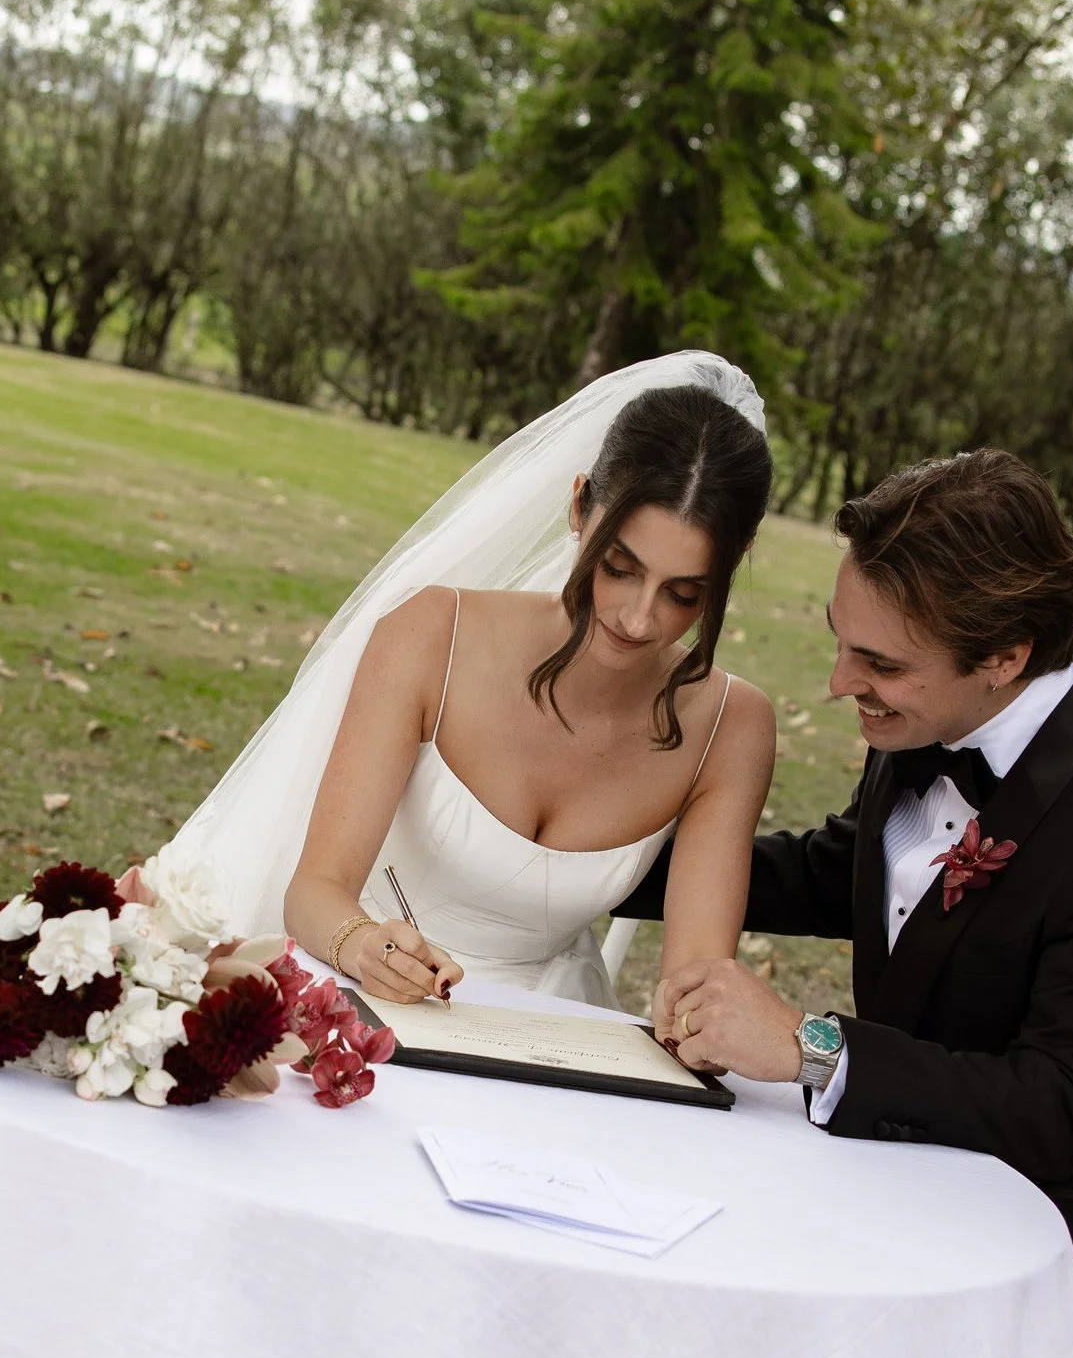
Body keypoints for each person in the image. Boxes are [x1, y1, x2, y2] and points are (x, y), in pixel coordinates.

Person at [633, 449, 1073, 1358]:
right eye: (841, 640)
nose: (838, 681)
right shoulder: (929, 714)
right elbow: (842, 874)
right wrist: (586, 857)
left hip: (1034, 1251)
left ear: (1005, 658)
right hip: (885, 1170)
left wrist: (813, 1049)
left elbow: (1065, 1106)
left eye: (879, 663)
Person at [153, 352, 777, 1003]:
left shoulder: (732, 726)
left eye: (684, 593)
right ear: (578, 506)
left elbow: (696, 980)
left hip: (554, 1025)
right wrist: (365, 944)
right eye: (619, 568)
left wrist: (695, 1019)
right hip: (362, 988)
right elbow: (315, 892)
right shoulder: (431, 636)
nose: (639, 618)